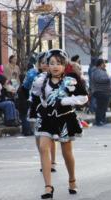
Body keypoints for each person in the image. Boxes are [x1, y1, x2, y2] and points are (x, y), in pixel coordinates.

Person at [30, 49, 88, 199]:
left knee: (66, 153)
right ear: (47, 65)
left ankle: (72, 180)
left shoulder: (71, 79)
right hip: (46, 118)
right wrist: (38, 108)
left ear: (64, 65)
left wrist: (63, 101)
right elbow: (34, 96)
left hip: (64, 118)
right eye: (52, 63)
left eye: (59, 63)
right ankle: (48, 187)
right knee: (43, 148)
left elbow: (83, 98)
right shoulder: (41, 80)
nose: (55, 66)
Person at [24, 52, 57, 171]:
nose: (44, 65)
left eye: (47, 63)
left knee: (51, 136)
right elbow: (26, 87)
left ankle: (52, 162)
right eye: (42, 62)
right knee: (38, 136)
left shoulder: (55, 76)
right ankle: (44, 161)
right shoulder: (34, 75)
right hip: (36, 107)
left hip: (50, 108)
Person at [90, 58, 111, 126]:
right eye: (104, 63)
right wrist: (108, 79)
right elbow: (98, 79)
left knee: (104, 107)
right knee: (100, 107)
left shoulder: (102, 71)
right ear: (100, 64)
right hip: (100, 91)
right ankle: (99, 121)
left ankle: (102, 120)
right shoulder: (97, 71)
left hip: (104, 91)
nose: (105, 65)